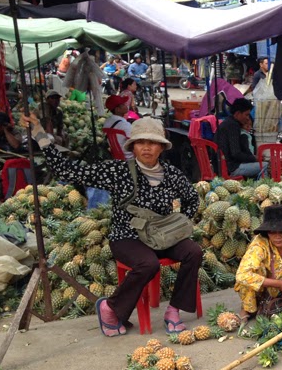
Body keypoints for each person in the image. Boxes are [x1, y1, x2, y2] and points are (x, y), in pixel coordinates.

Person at [21, 113, 201, 337]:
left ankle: (174, 310)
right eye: (141, 142)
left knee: (193, 251)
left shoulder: (172, 174)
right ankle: (110, 307)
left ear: (162, 147)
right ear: (133, 146)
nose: (147, 148)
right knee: (148, 264)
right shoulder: (117, 171)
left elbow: (192, 199)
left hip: (162, 236)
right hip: (128, 237)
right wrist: (40, 134)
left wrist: (179, 223)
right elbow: (68, 171)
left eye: (153, 142)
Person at [215, 98, 261, 178]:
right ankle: (260, 189)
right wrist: (254, 158)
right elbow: (236, 153)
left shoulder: (228, 122)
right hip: (231, 168)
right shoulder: (233, 126)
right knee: (266, 165)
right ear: (238, 113)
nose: (247, 118)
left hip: (222, 166)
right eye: (246, 114)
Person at [102, 95, 133, 159]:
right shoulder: (124, 125)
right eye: (123, 104)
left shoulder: (107, 122)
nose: (126, 105)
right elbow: (134, 141)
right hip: (130, 158)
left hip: (116, 157)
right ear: (117, 109)